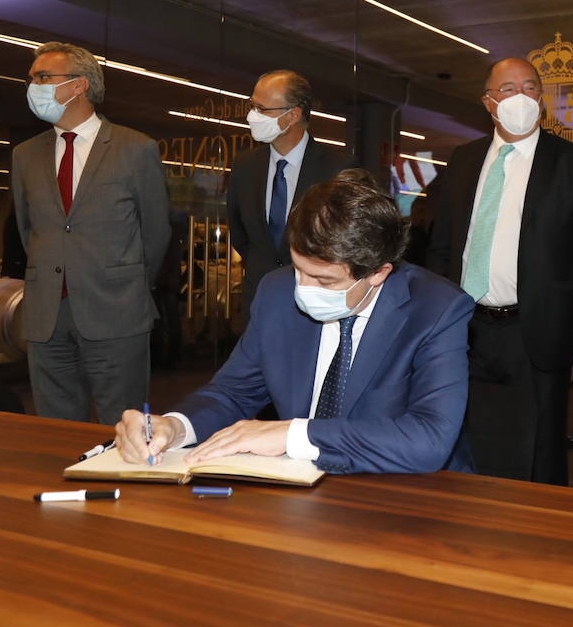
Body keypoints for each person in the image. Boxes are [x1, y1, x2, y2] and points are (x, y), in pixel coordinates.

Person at [116, 171, 474, 474]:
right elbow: (234, 391)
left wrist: (293, 435)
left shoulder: (437, 309)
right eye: (298, 268)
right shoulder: (276, 291)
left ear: (378, 273)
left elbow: (429, 439)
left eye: (324, 280)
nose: (302, 288)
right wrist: (175, 427)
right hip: (298, 487)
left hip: (407, 497)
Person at [428, 57, 573, 485]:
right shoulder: (464, 160)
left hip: (537, 330)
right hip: (466, 327)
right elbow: (442, 247)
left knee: (540, 450)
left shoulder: (572, 164)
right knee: (465, 438)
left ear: (541, 99)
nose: (521, 97)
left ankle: (540, 535)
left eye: (530, 87)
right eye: (508, 89)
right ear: (489, 102)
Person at [11, 41, 171, 424]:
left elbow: (156, 231)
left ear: (80, 85)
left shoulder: (134, 148)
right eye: (33, 78)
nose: (34, 85)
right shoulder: (25, 155)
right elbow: (26, 228)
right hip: (46, 313)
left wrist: (127, 283)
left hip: (115, 309)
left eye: (44, 77)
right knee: (55, 425)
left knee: (124, 423)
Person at [227, 69, 357, 314]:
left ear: (293, 115)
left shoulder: (338, 168)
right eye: (252, 106)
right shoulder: (245, 166)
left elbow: (345, 243)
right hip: (259, 300)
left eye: (262, 109)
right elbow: (240, 233)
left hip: (316, 303)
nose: (252, 116)